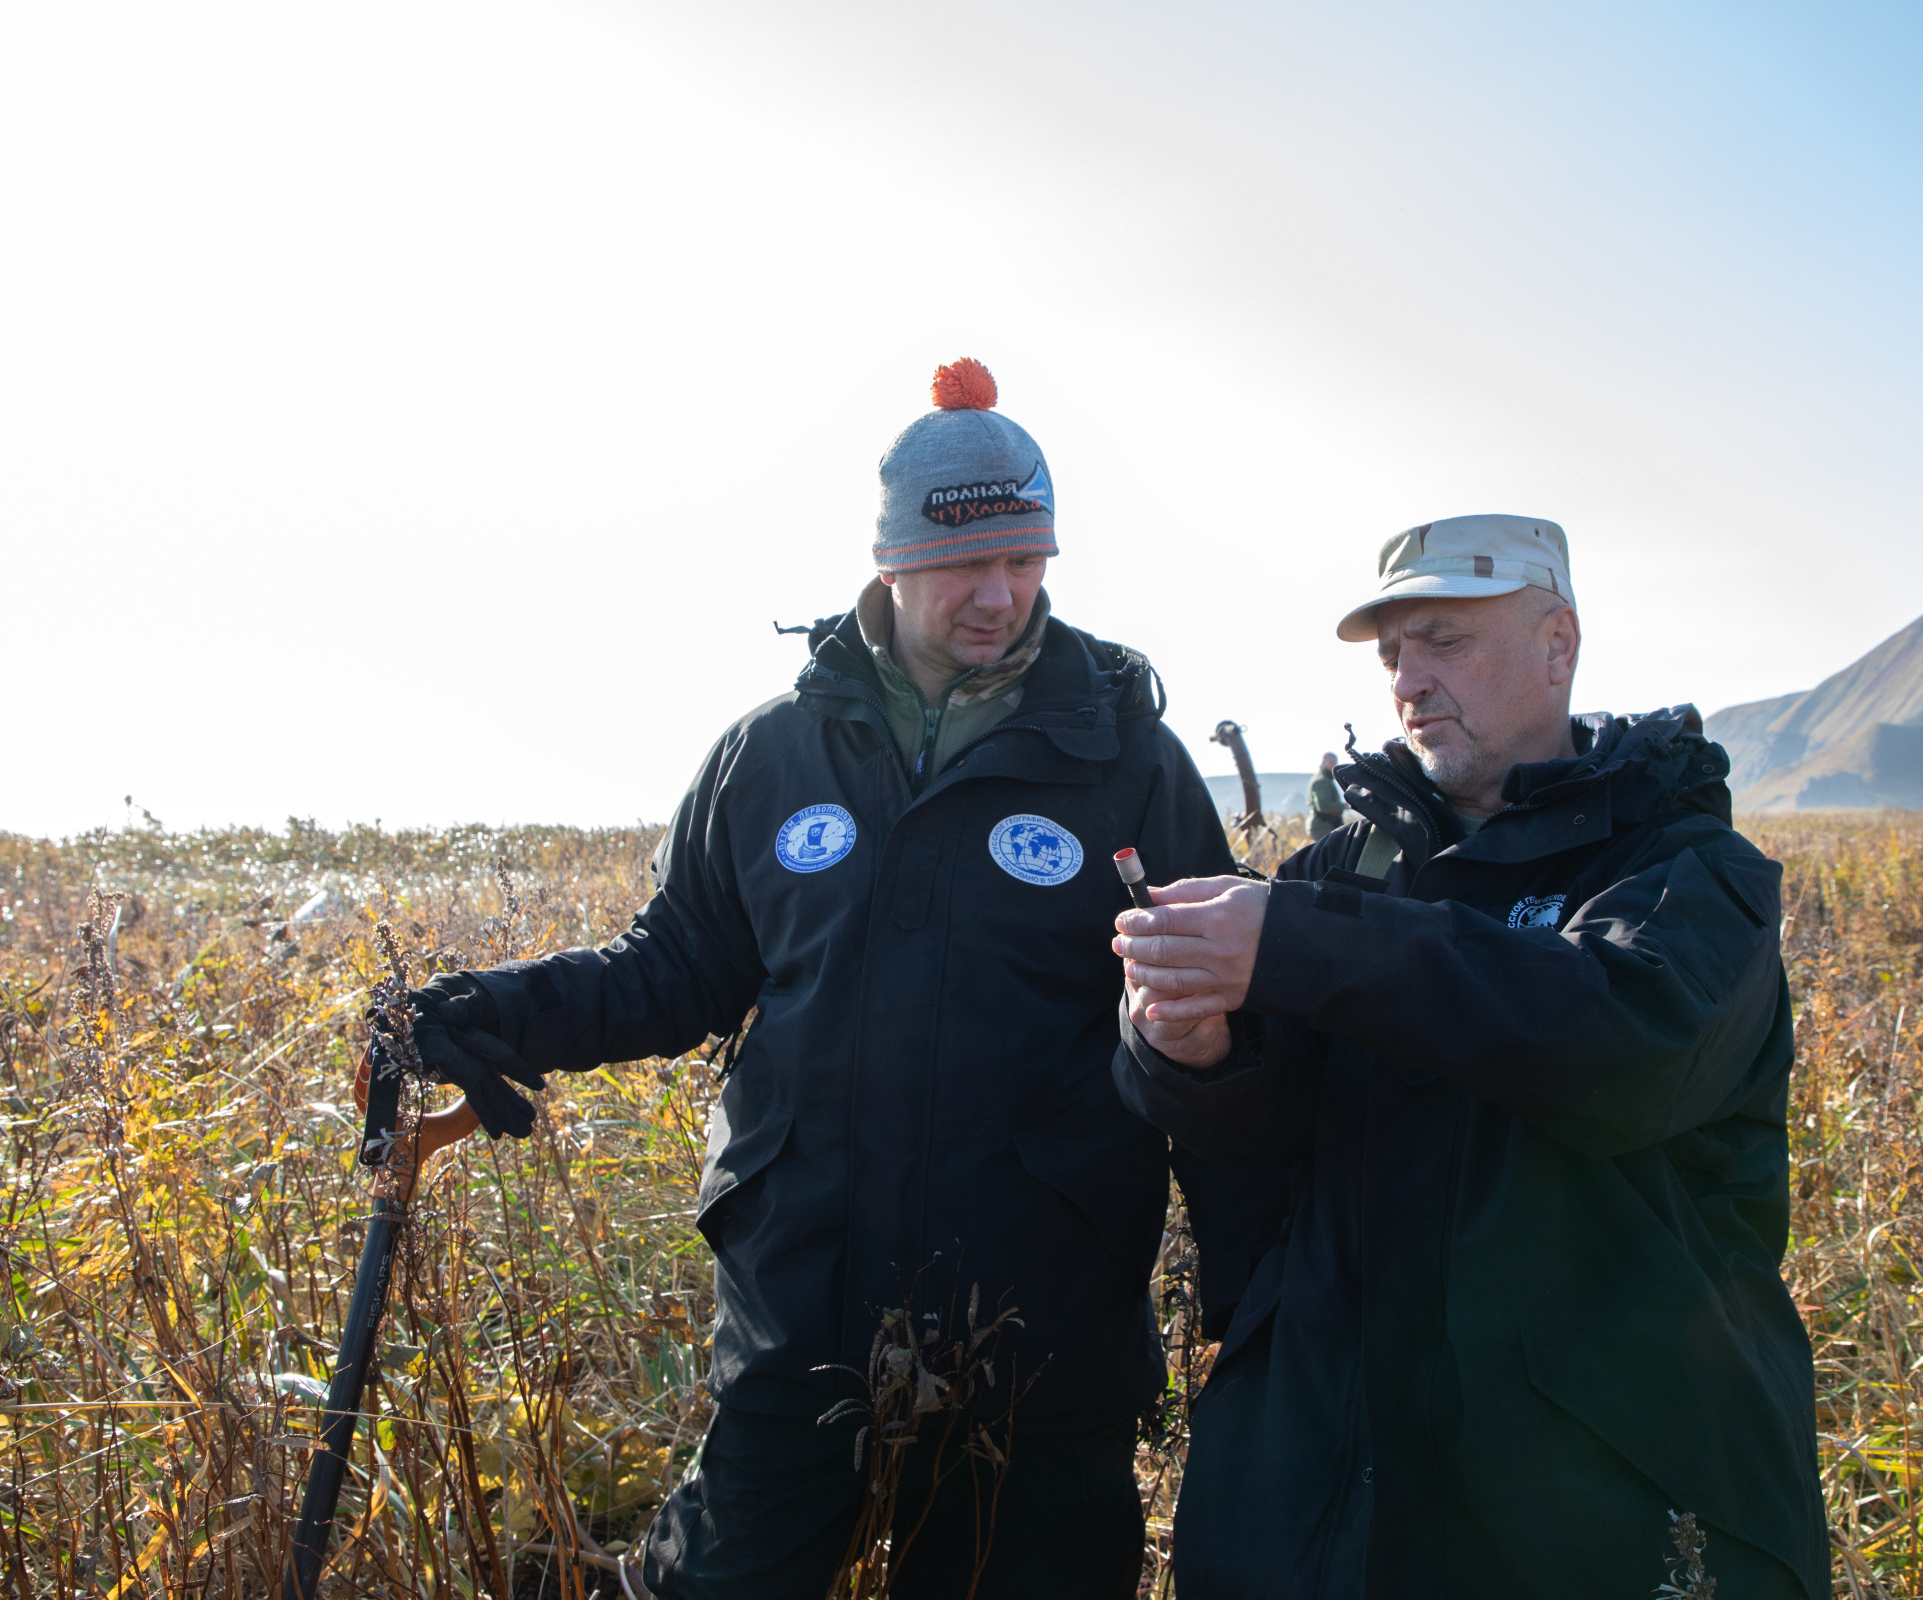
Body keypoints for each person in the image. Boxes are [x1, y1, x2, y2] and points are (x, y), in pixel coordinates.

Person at [404, 360, 1275, 1598]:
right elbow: (678, 967)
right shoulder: (772, 754)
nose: (1001, 596)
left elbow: (1208, 1028)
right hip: (800, 1315)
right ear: (891, 562)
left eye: (1028, 563)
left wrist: (1250, 1272)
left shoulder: (1125, 762)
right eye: (966, 565)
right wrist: (507, 1009)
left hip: (1040, 1335)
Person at [1109, 515, 1824, 1597]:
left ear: (1558, 644)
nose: (1410, 679)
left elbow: (1620, 1044)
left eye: (1445, 639)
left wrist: (1298, 943)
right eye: (1394, 653)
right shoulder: (1338, 874)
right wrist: (1191, 1047)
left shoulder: (1686, 871)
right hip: (1327, 1502)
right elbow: (1261, 1136)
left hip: (1599, 1510)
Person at [1304, 752, 1344, 839]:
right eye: (1331, 763)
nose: (1334, 766)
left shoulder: (1325, 779)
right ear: (1323, 763)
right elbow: (1323, 806)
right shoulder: (1322, 781)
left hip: (1326, 825)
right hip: (1323, 826)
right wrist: (1344, 806)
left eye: (1335, 763)